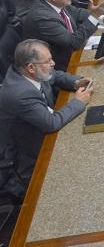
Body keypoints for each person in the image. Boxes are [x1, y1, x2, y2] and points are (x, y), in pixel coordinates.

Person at [0, 39, 93, 190]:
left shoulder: (28, 72)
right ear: (31, 67)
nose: (53, 63)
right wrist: (78, 102)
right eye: (48, 61)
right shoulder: (20, 93)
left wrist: (76, 82)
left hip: (44, 126)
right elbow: (51, 123)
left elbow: (53, 75)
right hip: (31, 153)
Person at [22, 0, 104, 72]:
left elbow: (77, 13)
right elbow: (74, 42)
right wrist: (95, 16)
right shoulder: (43, 18)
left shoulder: (55, 3)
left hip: (75, 52)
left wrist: (101, 18)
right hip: (61, 66)